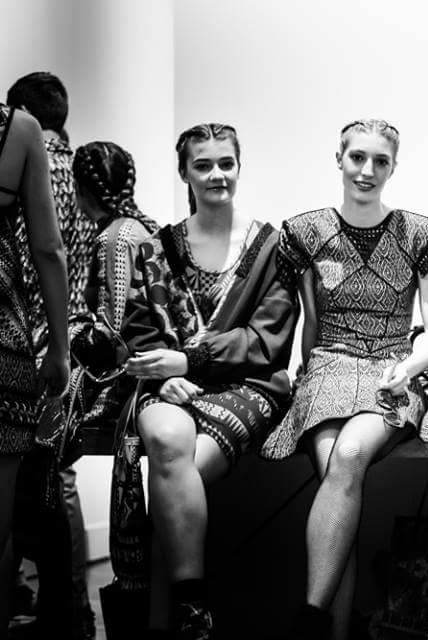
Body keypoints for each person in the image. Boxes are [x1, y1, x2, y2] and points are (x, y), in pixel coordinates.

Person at [260, 119, 428, 640]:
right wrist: (306, 378)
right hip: (330, 364)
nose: (367, 170)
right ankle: (331, 630)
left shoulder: (418, 233)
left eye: (380, 161)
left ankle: (311, 619)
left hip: (393, 367)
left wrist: (411, 367)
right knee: (339, 481)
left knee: (351, 455)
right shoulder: (306, 231)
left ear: (394, 168)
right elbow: (310, 324)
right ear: (339, 158)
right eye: (358, 157)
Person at [122, 123, 298, 639]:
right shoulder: (156, 249)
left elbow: (266, 342)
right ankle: (192, 614)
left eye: (226, 163)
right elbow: (138, 331)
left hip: (249, 386)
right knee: (165, 439)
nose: (217, 174)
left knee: (174, 479)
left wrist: (186, 361)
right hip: (168, 387)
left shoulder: (271, 246)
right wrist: (163, 378)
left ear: (240, 167)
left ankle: (173, 618)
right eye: (203, 165)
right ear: (185, 173)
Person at [6, 71, 98, 639]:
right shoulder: (84, 170)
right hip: (75, 337)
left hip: (29, 336)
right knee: (57, 474)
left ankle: (44, 599)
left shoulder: (25, 163)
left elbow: (35, 254)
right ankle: (72, 605)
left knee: (28, 476)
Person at [0, 103, 69, 638]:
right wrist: (59, 349)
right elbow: (48, 249)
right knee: (2, 518)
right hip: (3, 340)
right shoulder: (18, 129)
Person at [70, 141, 159, 435]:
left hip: (126, 382)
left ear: (80, 188)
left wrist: (66, 336)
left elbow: (110, 335)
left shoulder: (114, 239)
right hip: (146, 366)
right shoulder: (139, 226)